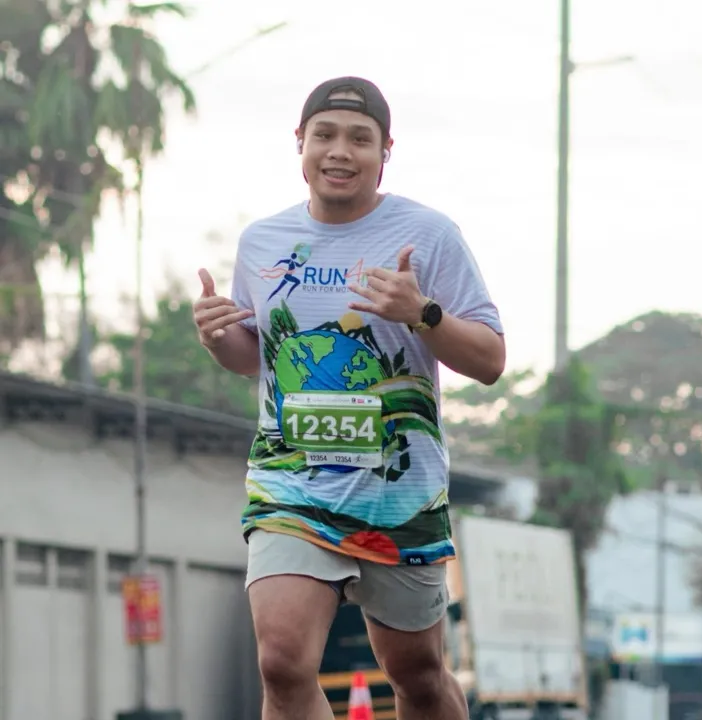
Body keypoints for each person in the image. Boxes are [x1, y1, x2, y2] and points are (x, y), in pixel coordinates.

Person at [192, 76, 506, 720]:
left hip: (397, 492)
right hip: (291, 484)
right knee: (281, 663)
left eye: (360, 139)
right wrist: (219, 337)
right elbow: (255, 358)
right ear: (300, 143)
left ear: (385, 151)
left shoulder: (428, 235)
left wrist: (424, 313)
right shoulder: (263, 242)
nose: (340, 151)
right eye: (325, 135)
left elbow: (490, 361)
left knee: (418, 676)